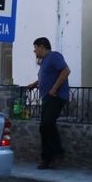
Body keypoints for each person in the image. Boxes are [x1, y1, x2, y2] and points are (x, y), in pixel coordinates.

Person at [26, 37, 71, 169]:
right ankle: (47, 158)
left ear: (42, 46)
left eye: (35, 48)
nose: (34, 51)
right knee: (43, 127)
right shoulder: (44, 61)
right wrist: (34, 84)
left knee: (47, 124)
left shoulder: (54, 56)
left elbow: (66, 71)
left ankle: (58, 153)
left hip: (56, 97)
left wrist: (54, 88)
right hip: (47, 98)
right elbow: (44, 77)